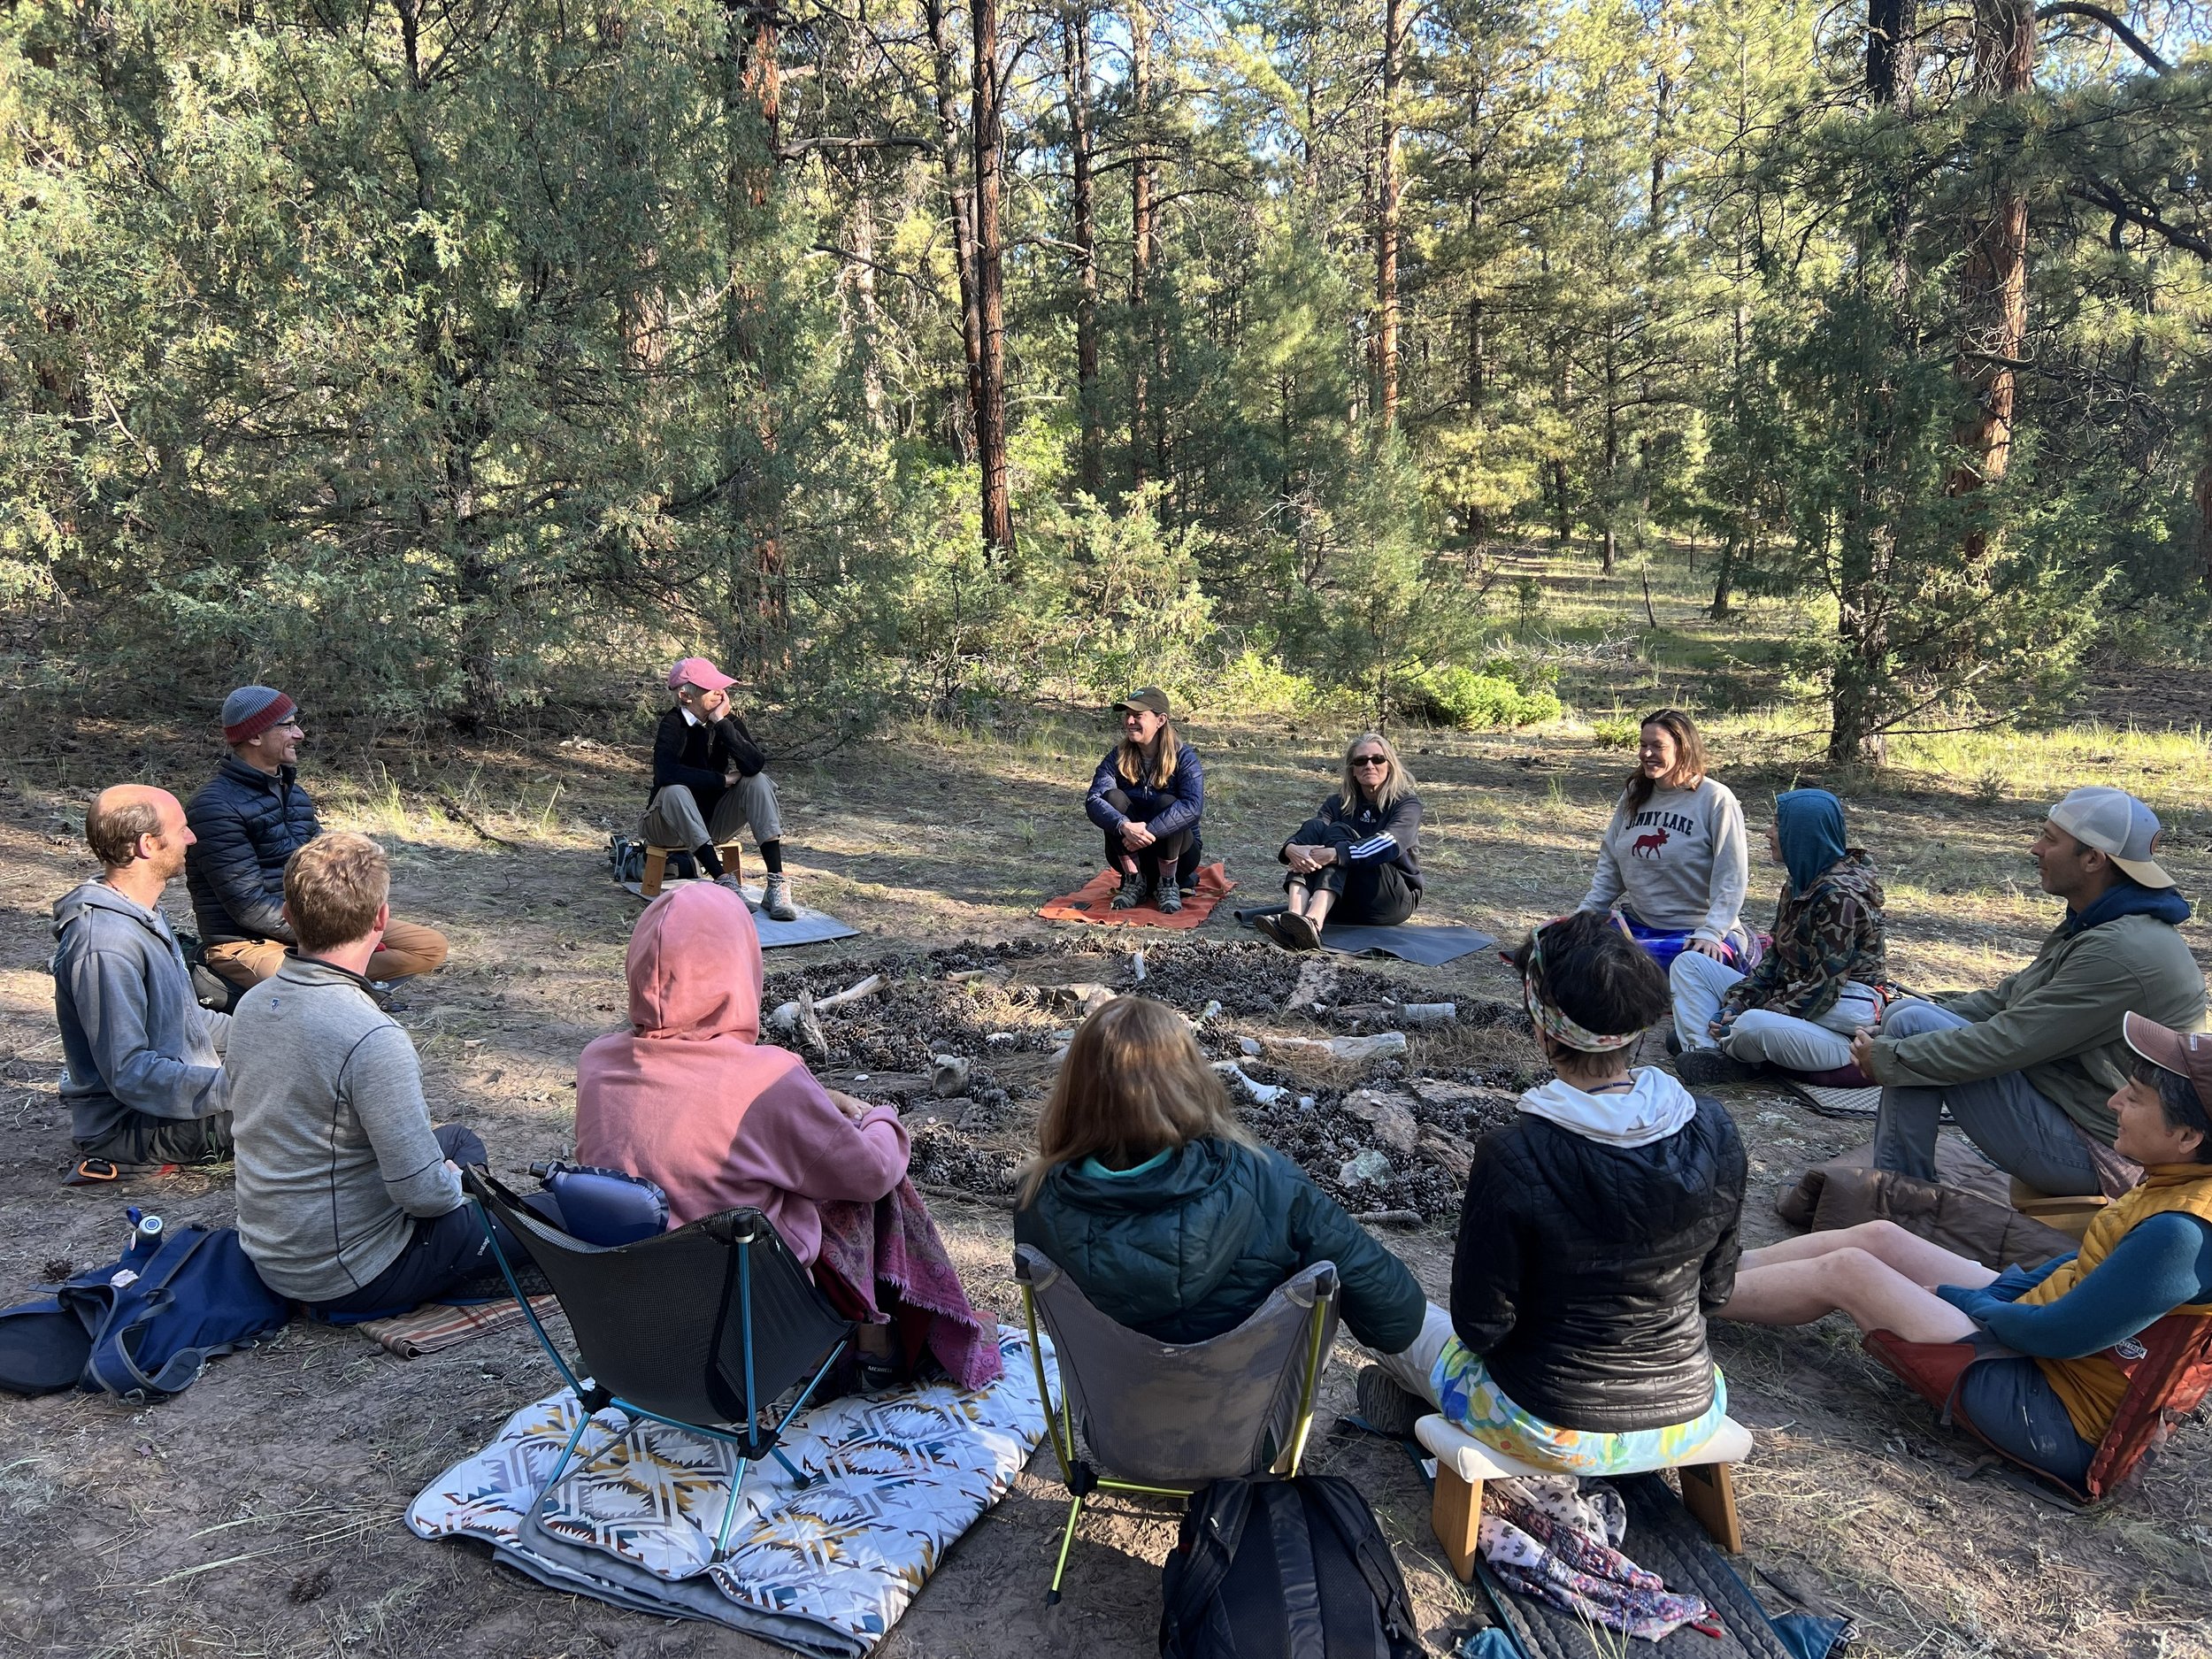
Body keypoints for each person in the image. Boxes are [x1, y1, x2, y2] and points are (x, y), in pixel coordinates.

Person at [1718, 1013, 2212, 1489]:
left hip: (2056, 1414)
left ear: (2188, 1137)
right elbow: (2079, 1268)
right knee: (1879, 1237)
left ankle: (1672, 1303)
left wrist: (1969, 1301)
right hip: (2033, 1346)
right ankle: (1708, 1271)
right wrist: (1994, 1294)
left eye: (2136, 1097)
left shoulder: (2182, 1233)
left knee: (1850, 1271)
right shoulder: (2173, 1182)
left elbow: (2060, 1335)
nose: (2113, 1102)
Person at [1359, 911, 1748, 1473]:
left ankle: (1425, 1412)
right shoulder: (1714, 1128)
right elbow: (1714, 1294)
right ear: (1637, 1025)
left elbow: (1482, 1328)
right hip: (1689, 1410)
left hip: (1548, 1421)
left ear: (1543, 1030)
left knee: (1393, 1321)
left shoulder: (1515, 1152)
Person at [578, 882, 994, 1386]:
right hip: (750, 1341)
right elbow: (872, 1173)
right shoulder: (765, 1079)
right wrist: (881, 1117)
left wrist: (814, 1100)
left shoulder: (598, 1064)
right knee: (857, 1187)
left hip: (635, 1331)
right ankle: (874, 1345)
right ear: (739, 966)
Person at [1014, 995, 1425, 1353]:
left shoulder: (1037, 1198)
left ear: (1074, 1093)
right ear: (1190, 1080)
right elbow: (1399, 1321)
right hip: (1252, 1431)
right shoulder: (1268, 1180)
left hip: (1114, 1432)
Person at [1855, 787, 2207, 1200]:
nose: (2035, 848)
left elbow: (2009, 1041)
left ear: (2093, 859)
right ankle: (1900, 1187)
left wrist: (1889, 1058)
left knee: (1912, 1031)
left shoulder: (2121, 950)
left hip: (2106, 1154)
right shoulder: (2102, 922)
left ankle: (1898, 1199)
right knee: (1909, 1018)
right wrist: (1912, 1011)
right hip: (2072, 1112)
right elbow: (2011, 998)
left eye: (2051, 839)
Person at [228, 833, 510, 1317]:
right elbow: (420, 1197)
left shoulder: (253, 1004)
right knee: (560, 1217)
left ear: (289, 917)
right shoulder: (371, 1035)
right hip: (349, 1274)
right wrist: (450, 1187)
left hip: (271, 1254)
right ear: (381, 921)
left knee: (459, 1140)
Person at [185, 687, 448, 990]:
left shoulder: (294, 794)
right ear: (255, 736)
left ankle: (338, 981)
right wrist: (335, 937)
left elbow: (328, 867)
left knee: (429, 946)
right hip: (246, 943)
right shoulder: (213, 807)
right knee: (309, 979)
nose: (299, 734)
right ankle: (338, 983)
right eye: (288, 726)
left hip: (315, 926)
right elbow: (248, 907)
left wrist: (353, 913)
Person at [52, 786, 233, 1165]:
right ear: (147, 844)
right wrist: (236, 1088)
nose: (192, 837)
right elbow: (130, 1073)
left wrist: (272, 1033)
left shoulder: (143, 915)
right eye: (182, 828)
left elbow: (188, 1020)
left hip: (173, 1096)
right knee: (302, 1110)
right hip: (129, 1125)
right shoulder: (104, 942)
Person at [1671, 788, 1889, 1087]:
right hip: (1792, 1001)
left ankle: (1725, 1045)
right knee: (1690, 965)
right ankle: (1710, 1053)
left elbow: (1824, 987)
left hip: (1838, 1030)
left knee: (1751, 1024)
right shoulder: (1800, 880)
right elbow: (1775, 958)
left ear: (1802, 834)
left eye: (1777, 825)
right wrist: (1736, 1002)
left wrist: (1751, 1010)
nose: (1768, 833)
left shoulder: (1840, 898)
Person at [1577, 709, 1751, 971]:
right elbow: (1611, 861)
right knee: (1569, 958)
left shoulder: (1715, 799)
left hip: (1695, 932)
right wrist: (1588, 912)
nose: (1647, 754)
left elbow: (1732, 875)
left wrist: (1712, 931)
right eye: (1643, 745)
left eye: (1658, 746)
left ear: (1683, 748)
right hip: (1638, 926)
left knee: (1665, 971)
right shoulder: (1635, 793)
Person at [642, 657, 798, 923]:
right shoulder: (673, 723)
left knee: (758, 781)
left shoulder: (727, 722)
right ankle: (722, 880)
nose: (720, 692)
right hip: (664, 825)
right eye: (709, 687)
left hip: (711, 822)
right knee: (675, 790)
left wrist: (722, 724)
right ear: (685, 695)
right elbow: (666, 773)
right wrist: (721, 780)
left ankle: (776, 883)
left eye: (720, 686)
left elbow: (754, 764)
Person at [1262, 733, 1422, 951]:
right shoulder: (1337, 803)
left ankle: (1314, 921)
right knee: (1316, 827)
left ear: (1390, 765)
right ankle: (1295, 919)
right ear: (1352, 771)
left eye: (1377, 759)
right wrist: (1291, 849)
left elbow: (1389, 844)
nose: (1369, 765)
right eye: (1360, 761)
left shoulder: (1407, 804)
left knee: (1338, 833)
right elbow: (1311, 832)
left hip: (1390, 899)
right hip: (1345, 898)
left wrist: (1337, 854)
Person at [1084, 688, 1204, 914]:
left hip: (1180, 856)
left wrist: (1147, 833)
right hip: (1129, 853)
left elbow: (1192, 807)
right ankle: (1132, 881)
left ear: (1161, 720)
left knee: (1168, 803)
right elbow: (1094, 799)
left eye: (1138, 715)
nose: (1129, 721)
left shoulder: (1184, 757)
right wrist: (1124, 826)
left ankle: (1168, 885)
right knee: (1112, 798)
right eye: (1127, 714)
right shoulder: (1117, 755)